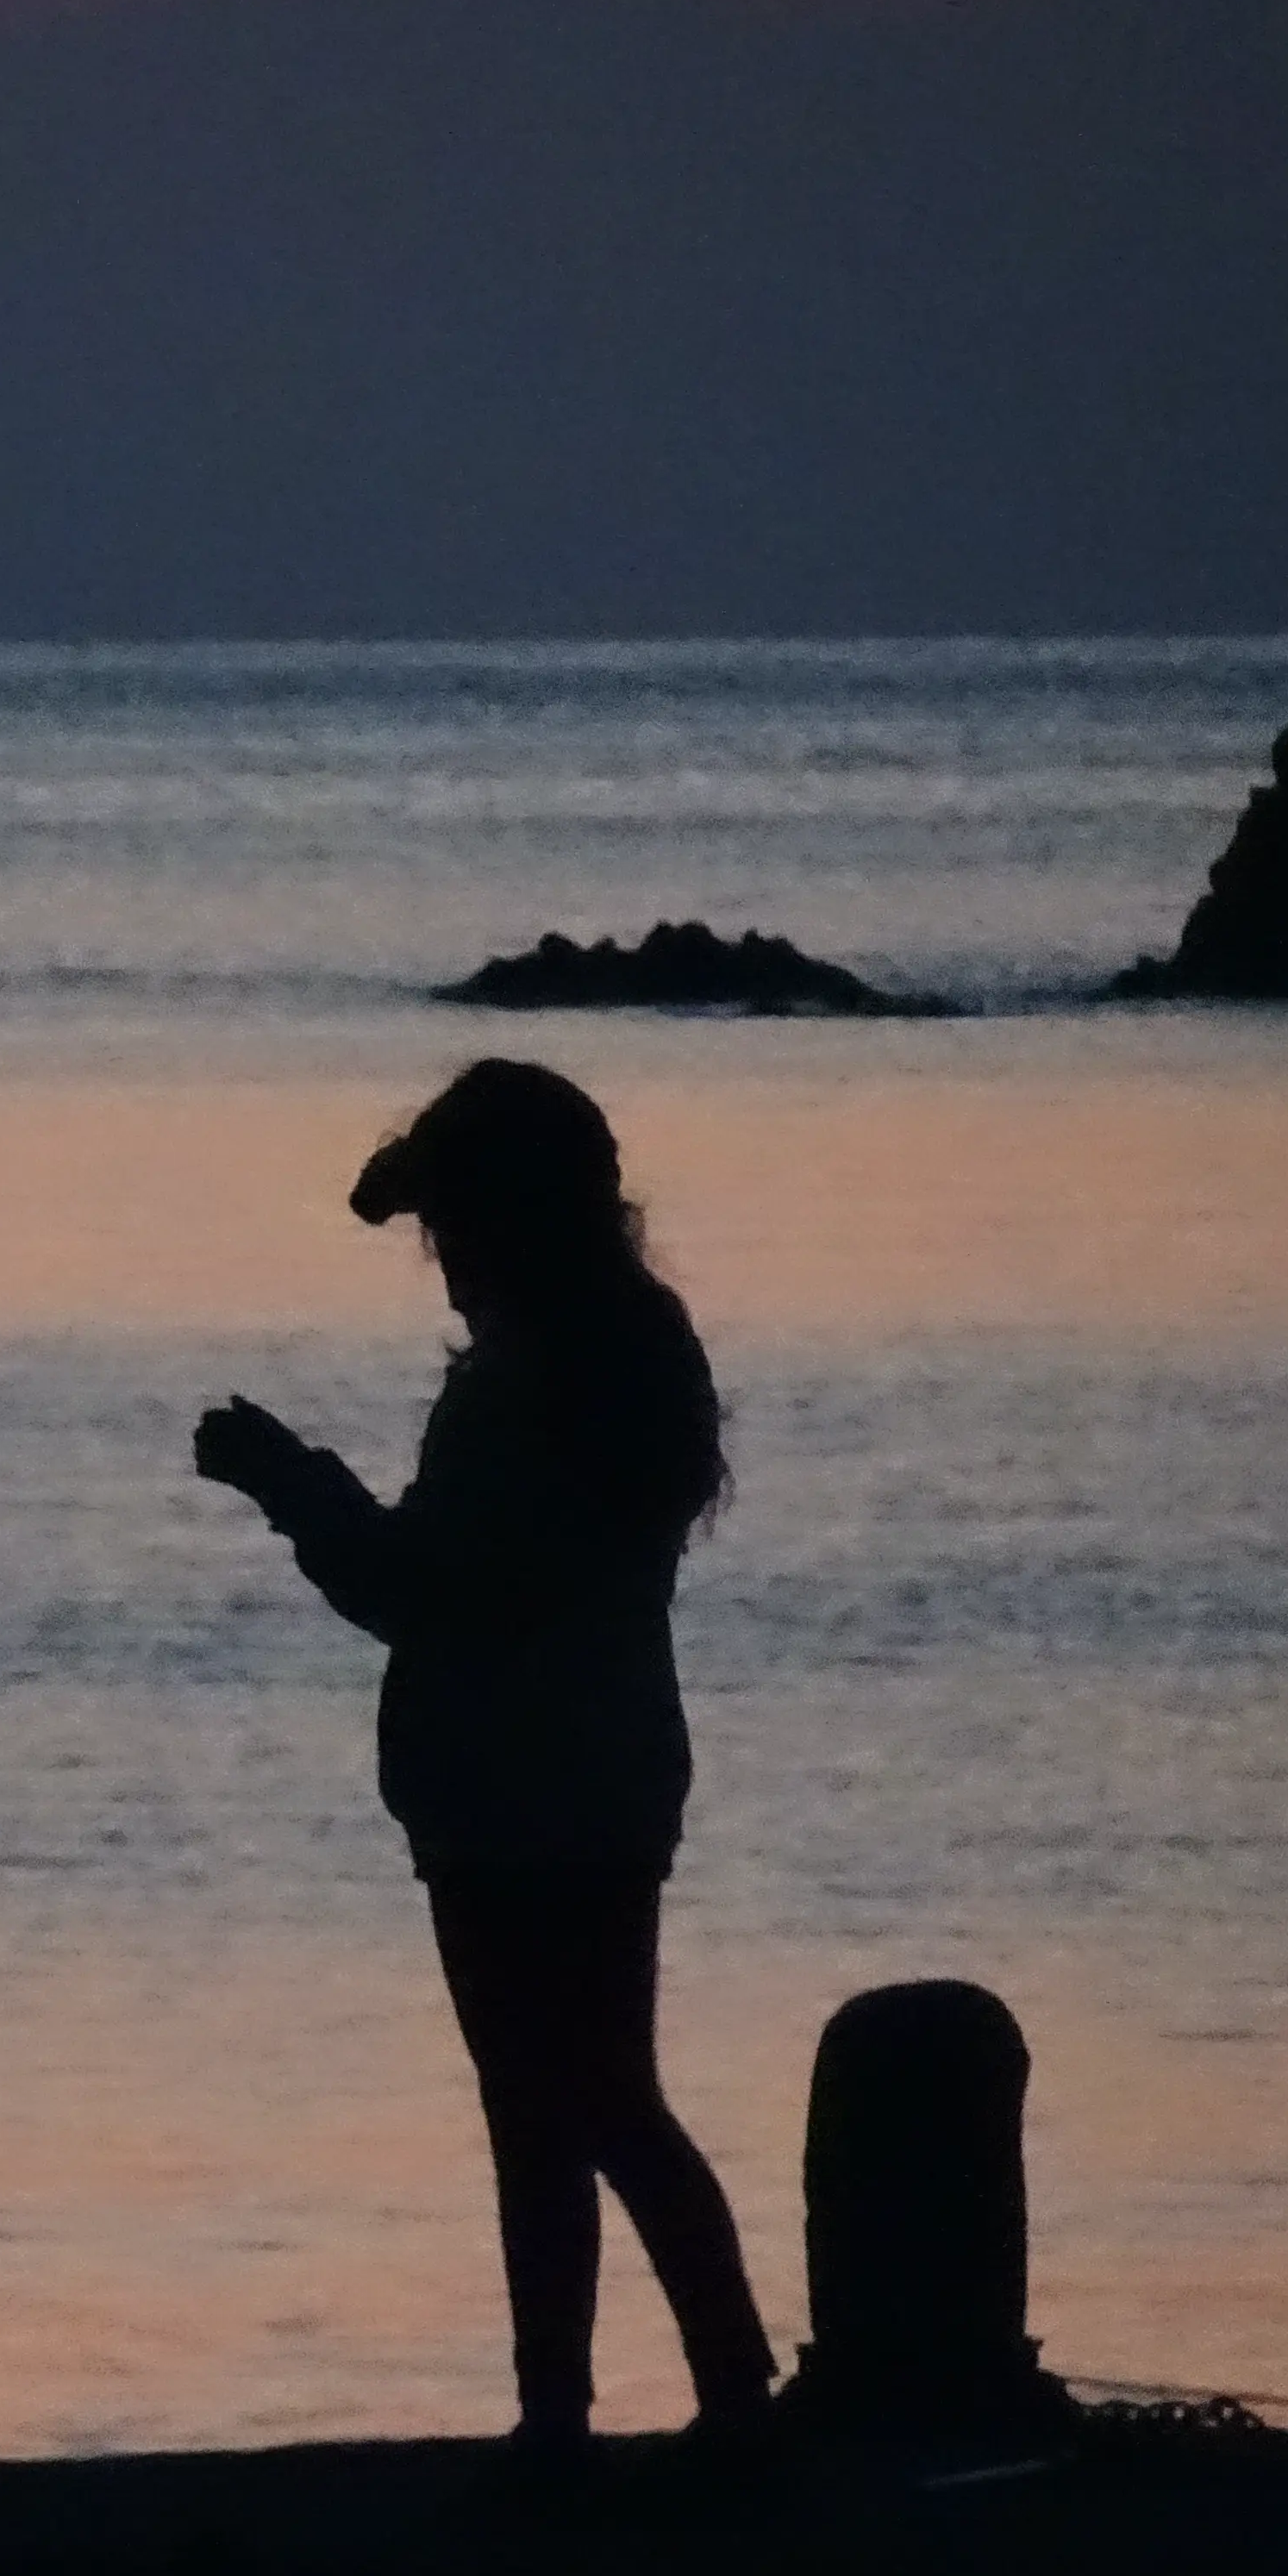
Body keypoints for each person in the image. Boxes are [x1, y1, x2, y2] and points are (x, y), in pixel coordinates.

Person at [191, 1059, 775, 2474]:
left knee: (542, 2111)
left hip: (504, 1793)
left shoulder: (523, 1396)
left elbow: (423, 1587)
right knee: (611, 2094)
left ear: (506, 1227)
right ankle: (729, 2392)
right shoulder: (637, 1361)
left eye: (450, 1233)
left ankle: (571, 2419)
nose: (441, 1268)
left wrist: (292, 1483)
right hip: (616, 1775)